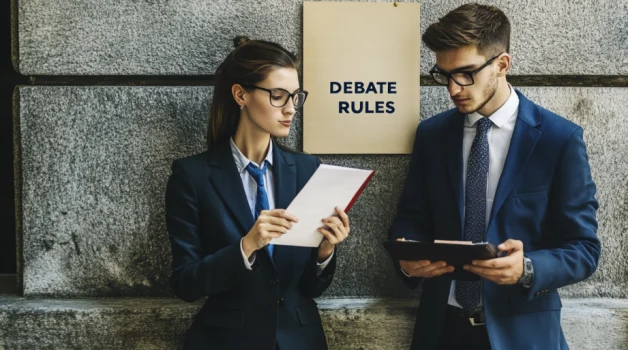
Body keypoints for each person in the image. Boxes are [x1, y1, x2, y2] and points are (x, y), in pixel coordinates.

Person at [389, 4, 601, 349]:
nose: (453, 88)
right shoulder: (432, 135)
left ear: (502, 64)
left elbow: (584, 248)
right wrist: (408, 260)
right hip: (441, 330)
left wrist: (528, 268)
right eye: (444, 74)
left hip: (522, 335)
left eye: (466, 73)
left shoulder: (558, 139)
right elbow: (410, 220)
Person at [166, 36, 350, 350]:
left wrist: (324, 253)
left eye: (296, 96)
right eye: (278, 96)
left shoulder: (307, 170)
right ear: (240, 94)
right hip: (226, 340)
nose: (291, 108)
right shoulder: (193, 176)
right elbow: (185, 283)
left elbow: (309, 286)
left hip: (299, 340)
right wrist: (246, 245)